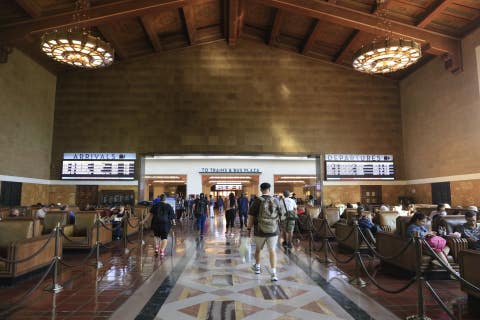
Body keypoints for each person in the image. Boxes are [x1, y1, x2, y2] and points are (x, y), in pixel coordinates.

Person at [247, 182, 285, 282]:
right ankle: (273, 273)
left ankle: (258, 267)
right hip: (273, 230)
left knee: (258, 249)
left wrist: (248, 229)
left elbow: (251, 217)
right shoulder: (276, 200)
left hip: (260, 230)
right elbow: (281, 215)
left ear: (261, 189)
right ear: (269, 189)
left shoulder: (257, 201)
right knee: (272, 250)